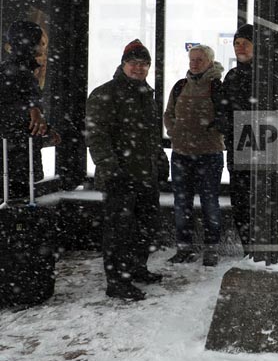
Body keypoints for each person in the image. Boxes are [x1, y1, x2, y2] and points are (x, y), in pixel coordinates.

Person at [85, 40, 169, 301]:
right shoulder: (105, 94)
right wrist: (111, 169)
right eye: (134, 63)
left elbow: (151, 137)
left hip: (145, 175)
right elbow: (97, 136)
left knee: (146, 225)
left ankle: (136, 267)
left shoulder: (147, 95)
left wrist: (160, 159)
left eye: (144, 64)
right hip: (119, 176)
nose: (139, 68)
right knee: (119, 231)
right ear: (123, 64)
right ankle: (117, 281)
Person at [164, 45, 225, 266]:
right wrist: (174, 132)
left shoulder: (217, 87)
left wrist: (206, 132)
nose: (194, 63)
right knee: (182, 203)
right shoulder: (180, 86)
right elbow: (168, 113)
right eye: (192, 60)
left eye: (199, 60)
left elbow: (225, 118)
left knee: (210, 203)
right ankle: (184, 249)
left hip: (209, 155)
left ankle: (211, 250)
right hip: (181, 155)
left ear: (210, 61)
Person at [0, 20, 60, 200]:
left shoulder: (15, 71)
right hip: (15, 164)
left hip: (15, 161)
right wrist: (34, 115)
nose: (43, 47)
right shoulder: (18, 72)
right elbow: (13, 113)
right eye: (40, 42)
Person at [221, 24, 255, 255]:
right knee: (241, 204)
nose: (240, 48)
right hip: (237, 146)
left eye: (245, 43)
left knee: (257, 203)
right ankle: (248, 250)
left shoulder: (268, 74)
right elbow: (222, 108)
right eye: (236, 43)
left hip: (260, 147)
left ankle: (259, 251)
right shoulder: (232, 75)